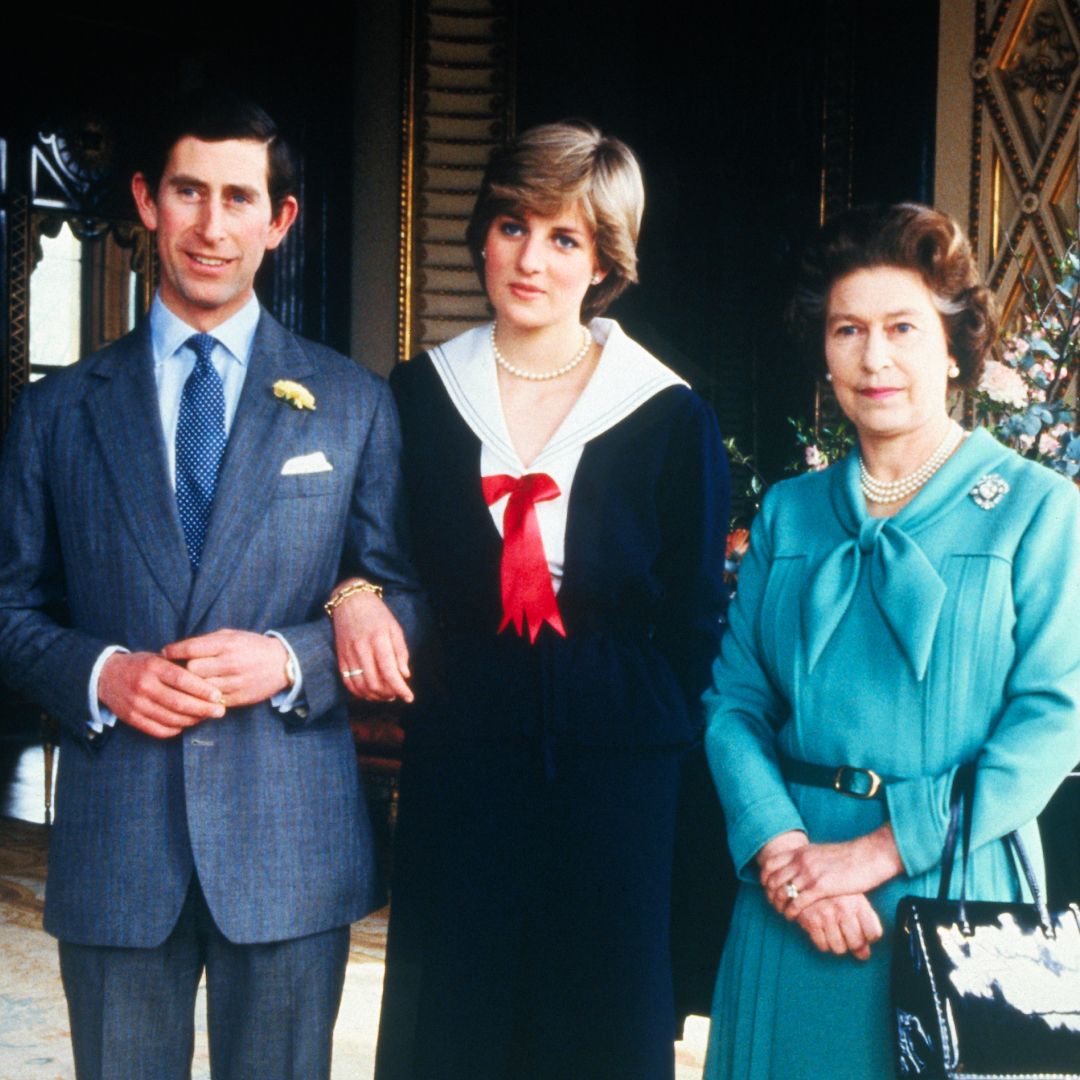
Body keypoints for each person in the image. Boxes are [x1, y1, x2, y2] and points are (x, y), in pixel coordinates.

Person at [0, 91, 423, 1080]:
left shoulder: (352, 404)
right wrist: (100, 672)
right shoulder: (58, 412)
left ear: (280, 221)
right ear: (148, 201)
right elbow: (7, 606)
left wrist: (287, 655)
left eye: (240, 198)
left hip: (291, 854)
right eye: (189, 191)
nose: (210, 225)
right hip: (117, 850)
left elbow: (406, 602)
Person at [330, 120, 730, 1079]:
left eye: (564, 238)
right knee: (452, 1022)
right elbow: (372, 552)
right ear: (482, 235)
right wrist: (352, 593)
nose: (531, 258)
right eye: (513, 225)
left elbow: (694, 621)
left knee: (598, 1024)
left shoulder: (669, 411)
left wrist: (646, 739)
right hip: (464, 745)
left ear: (603, 262)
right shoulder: (421, 393)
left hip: (619, 766)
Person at [702, 202, 1080, 1079]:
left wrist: (873, 855)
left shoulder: (1039, 511)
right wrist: (786, 853)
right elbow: (733, 705)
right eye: (848, 330)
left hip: (953, 894)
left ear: (953, 347)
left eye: (903, 327)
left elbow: (1052, 723)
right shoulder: (791, 514)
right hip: (788, 894)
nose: (875, 357)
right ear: (824, 351)